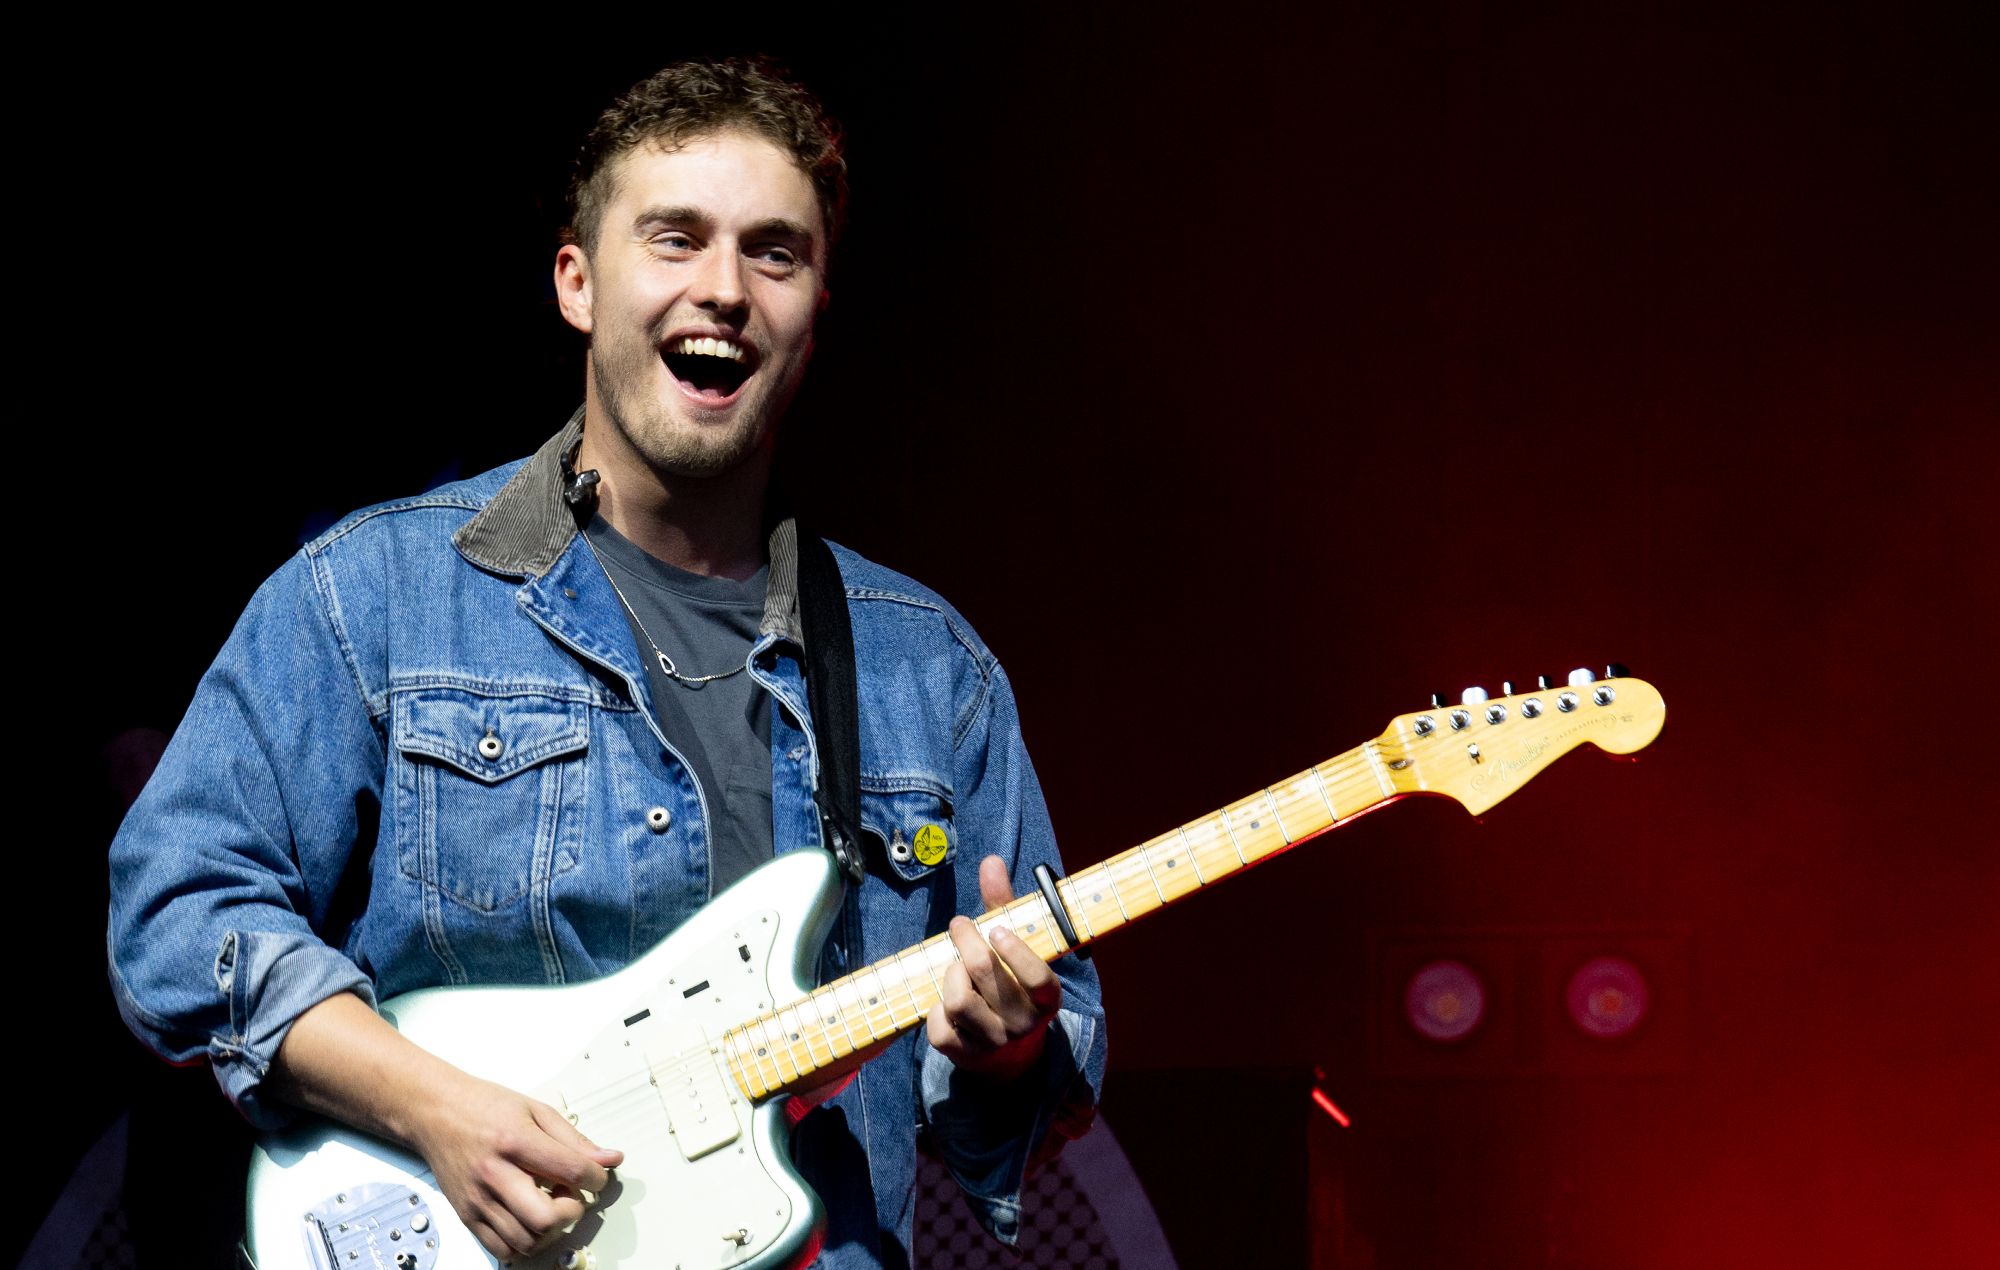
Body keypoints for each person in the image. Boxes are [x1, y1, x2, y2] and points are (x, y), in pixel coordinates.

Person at [106, 58, 1104, 1267]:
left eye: (774, 253)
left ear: (816, 306)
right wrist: (432, 1105)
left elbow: (1033, 1104)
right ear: (577, 283)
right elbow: (178, 903)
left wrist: (999, 1050)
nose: (724, 290)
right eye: (674, 240)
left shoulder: (924, 672)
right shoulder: (376, 592)